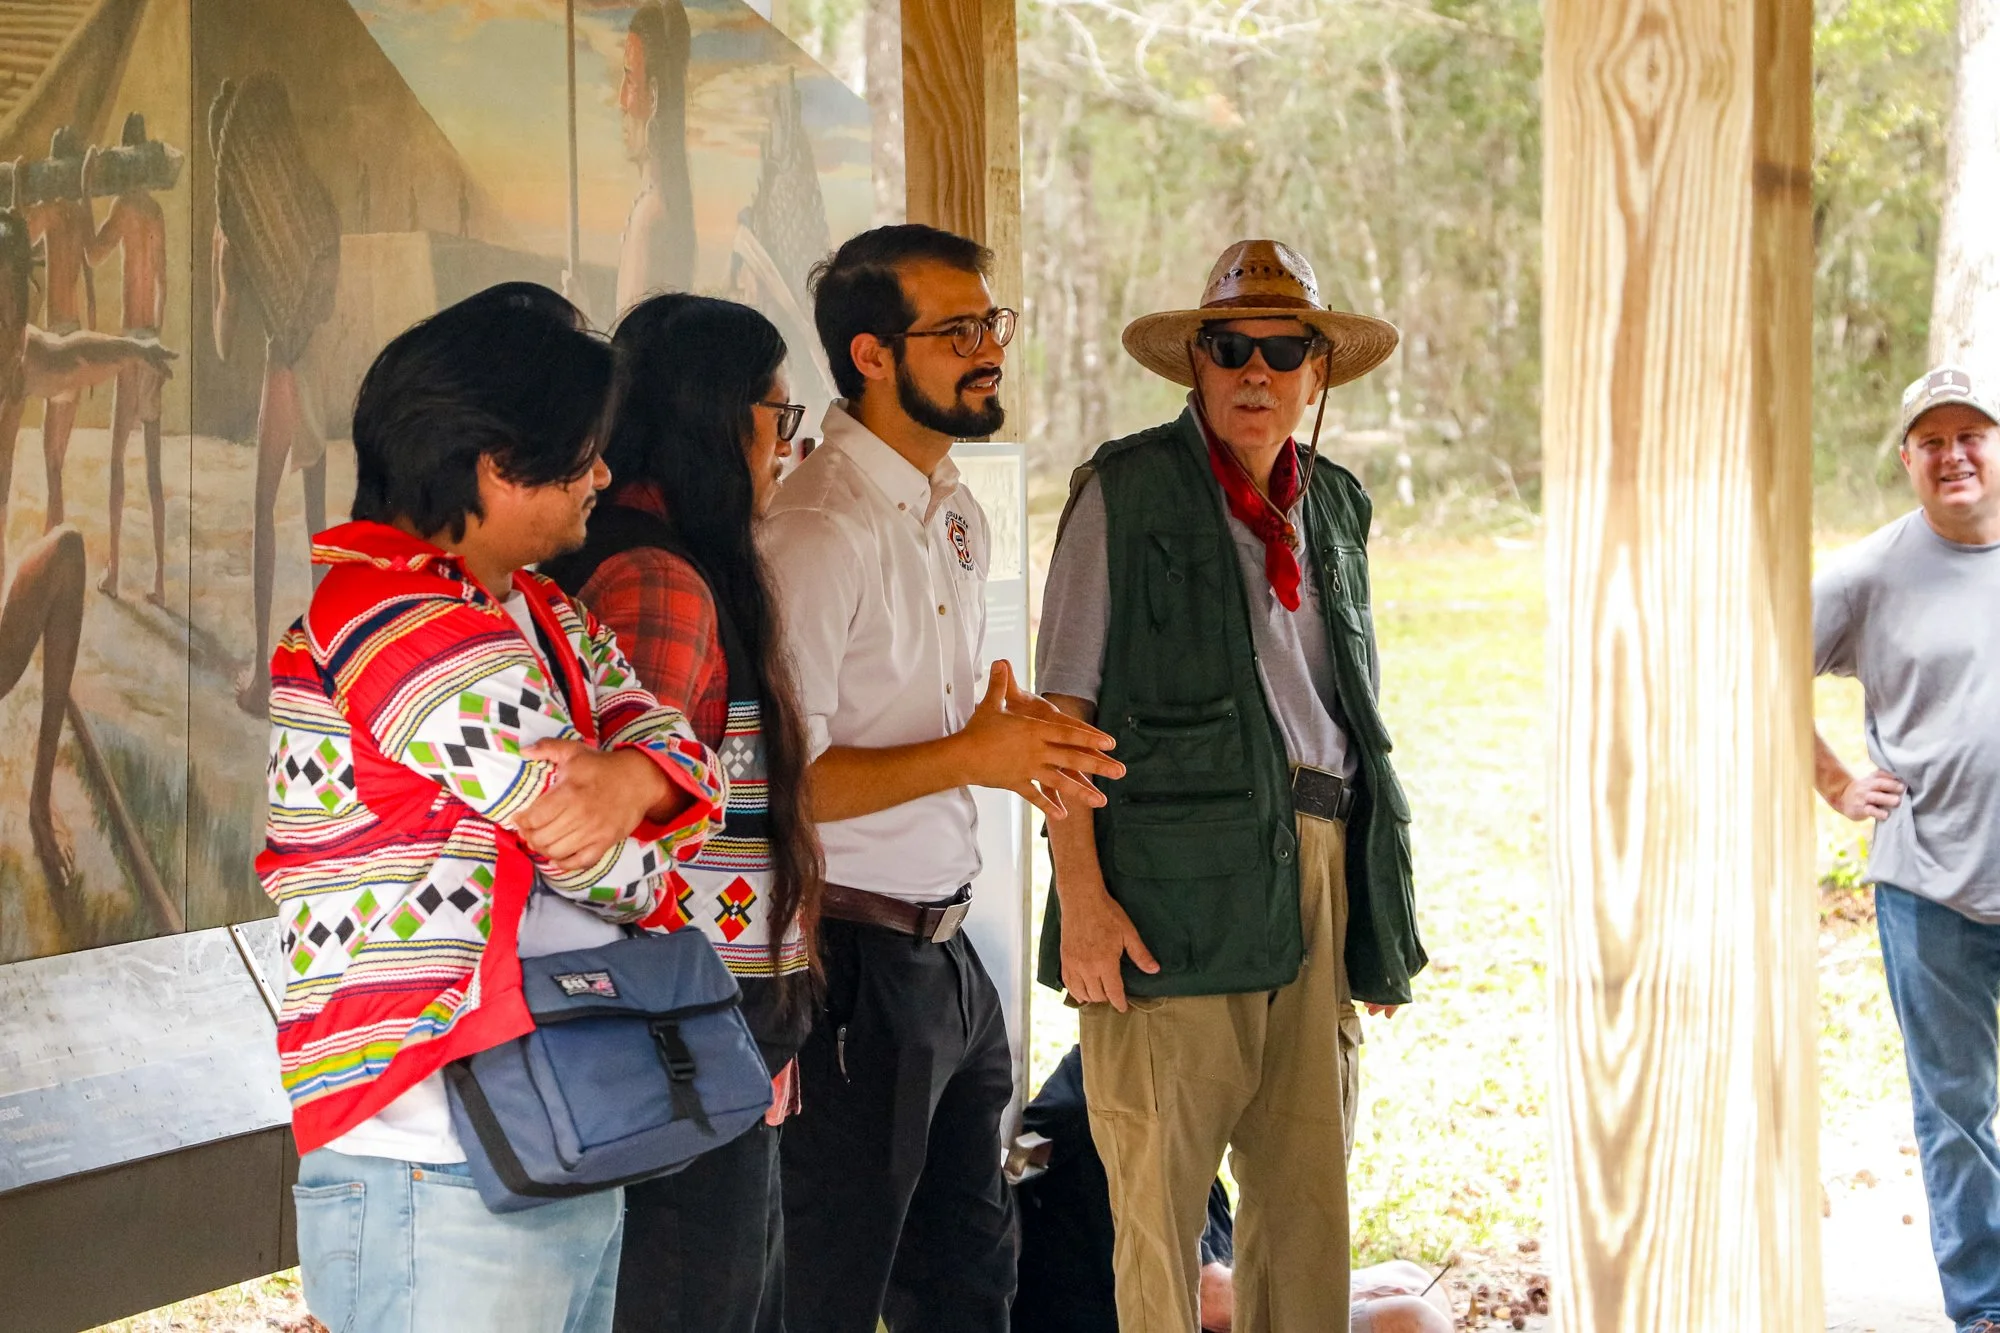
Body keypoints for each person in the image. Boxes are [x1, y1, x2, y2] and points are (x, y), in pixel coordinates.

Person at [257, 283, 727, 1333]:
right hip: (430, 1146)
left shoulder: (543, 609)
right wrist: (630, 807)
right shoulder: (389, 618)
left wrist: (638, 783)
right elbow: (606, 861)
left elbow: (690, 756)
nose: (604, 475)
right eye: (584, 452)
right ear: (497, 465)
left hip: (542, 1124)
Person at [1036, 239, 1426, 1333]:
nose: (1255, 372)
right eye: (1228, 347)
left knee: (1307, 1199)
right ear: (1195, 366)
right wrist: (1084, 901)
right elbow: (1060, 721)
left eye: (1281, 348)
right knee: (1155, 1204)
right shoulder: (1124, 491)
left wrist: (1372, 915)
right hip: (1166, 886)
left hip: (1315, 870)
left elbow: (1354, 726)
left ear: (1316, 372)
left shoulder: (1335, 508)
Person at [764, 223, 1124, 1333]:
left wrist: (1000, 736)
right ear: (870, 355)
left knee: (972, 1287)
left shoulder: (954, 508)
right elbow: (784, 786)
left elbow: (937, 723)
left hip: (947, 952)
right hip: (847, 965)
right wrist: (974, 755)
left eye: (991, 323)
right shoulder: (817, 529)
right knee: (828, 1288)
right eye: (956, 328)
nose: (988, 348)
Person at [542, 293, 820, 1333]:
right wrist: (730, 1036)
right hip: (669, 1060)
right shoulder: (656, 583)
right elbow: (611, 843)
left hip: (699, 1050)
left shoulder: (660, 565)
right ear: (717, 419)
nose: (784, 450)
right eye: (775, 419)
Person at [1812, 364, 2000, 1333]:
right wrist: (1835, 780)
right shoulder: (1868, 571)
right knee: (1956, 1112)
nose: (1953, 454)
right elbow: (1754, 659)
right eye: (1932, 440)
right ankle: (1985, 1308)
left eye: (1971, 435)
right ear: (1906, 459)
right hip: (1929, 889)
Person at [1011, 1047, 1454, 1333]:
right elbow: (1207, 1298)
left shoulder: (1171, 1090)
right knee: (1409, 1320)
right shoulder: (1119, 1114)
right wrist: (1348, 1297)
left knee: (1411, 1281)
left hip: (1205, 1305)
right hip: (1168, 1315)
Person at [82, 113, 172, 605]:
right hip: (148, 342)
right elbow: (164, 283)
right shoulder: (154, 211)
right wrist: (153, 340)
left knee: (118, 457)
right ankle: (158, 580)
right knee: (152, 467)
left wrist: (87, 191)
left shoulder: (122, 207)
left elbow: (94, 254)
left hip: (128, 347)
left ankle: (116, 571)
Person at [24, 126, 95, 531]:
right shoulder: (76, 212)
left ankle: (53, 543)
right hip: (76, 336)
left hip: (55, 340)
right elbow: (94, 257)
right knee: (57, 461)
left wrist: (20, 196)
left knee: (50, 462)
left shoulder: (49, 211)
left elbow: (20, 239)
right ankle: (56, 540)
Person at [615, 0, 696, 312]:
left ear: (653, 94)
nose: (620, 100)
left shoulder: (652, 217)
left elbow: (629, 345)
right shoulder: (658, 204)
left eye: (629, 80)